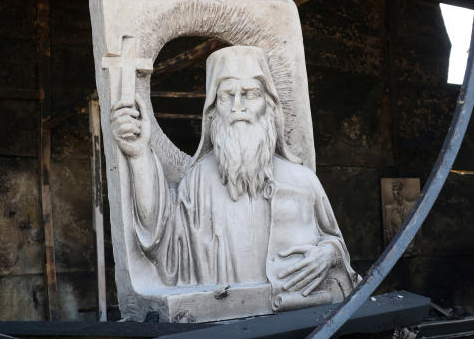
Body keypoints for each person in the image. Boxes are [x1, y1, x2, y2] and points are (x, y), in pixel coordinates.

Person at [111, 44, 357, 303]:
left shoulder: (303, 181)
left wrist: (329, 253)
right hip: (225, 326)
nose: (238, 106)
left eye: (250, 93)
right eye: (228, 95)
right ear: (214, 109)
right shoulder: (199, 182)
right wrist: (139, 155)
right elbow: (162, 240)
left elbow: (334, 241)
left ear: (269, 105)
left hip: (295, 319)